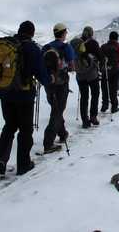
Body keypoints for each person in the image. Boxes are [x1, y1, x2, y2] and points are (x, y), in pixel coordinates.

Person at [0, 21, 51, 176]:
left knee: (9, 126)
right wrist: (49, 80)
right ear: (32, 33)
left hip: (5, 92)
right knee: (25, 129)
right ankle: (23, 164)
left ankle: (0, 161)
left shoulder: (7, 44)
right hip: (24, 94)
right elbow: (42, 74)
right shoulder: (32, 48)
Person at [42, 23, 75, 154]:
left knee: (56, 108)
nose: (66, 34)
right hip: (61, 83)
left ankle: (62, 133)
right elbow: (72, 66)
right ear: (63, 33)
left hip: (48, 83)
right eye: (65, 32)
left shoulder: (46, 47)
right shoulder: (66, 47)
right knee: (57, 111)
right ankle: (48, 143)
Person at [75, 26, 104, 128]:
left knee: (84, 97)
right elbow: (101, 57)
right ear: (91, 33)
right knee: (95, 94)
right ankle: (93, 116)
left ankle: (85, 121)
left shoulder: (76, 43)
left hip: (80, 75)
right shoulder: (93, 43)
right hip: (92, 74)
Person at [100, 31, 119, 113]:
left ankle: (104, 106)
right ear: (117, 38)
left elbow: (99, 56)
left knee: (105, 88)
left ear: (109, 37)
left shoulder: (103, 46)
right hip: (115, 70)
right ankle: (114, 107)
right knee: (113, 89)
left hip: (105, 70)